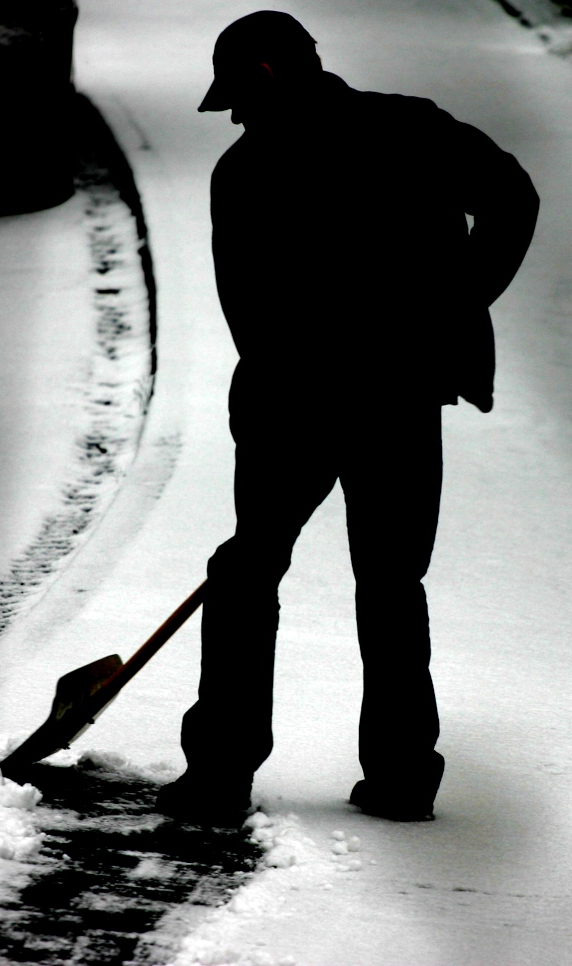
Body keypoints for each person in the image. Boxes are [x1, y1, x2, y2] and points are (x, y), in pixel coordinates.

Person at [156, 11, 539, 824]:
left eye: (236, 97)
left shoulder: (248, 170)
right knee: (393, 583)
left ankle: (220, 773)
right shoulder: (414, 127)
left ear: (263, 75)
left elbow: (248, 313)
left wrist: (278, 393)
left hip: (295, 405)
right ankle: (402, 778)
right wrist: (457, 304)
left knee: (246, 575)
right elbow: (513, 196)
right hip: (401, 398)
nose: (233, 116)